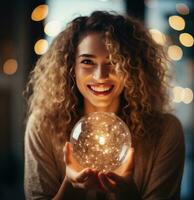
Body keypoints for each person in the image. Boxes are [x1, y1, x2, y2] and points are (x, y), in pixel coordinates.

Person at [24, 11, 185, 200]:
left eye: (114, 61)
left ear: (132, 67)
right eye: (87, 61)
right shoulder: (44, 125)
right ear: (70, 67)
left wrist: (128, 196)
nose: (100, 76)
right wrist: (70, 186)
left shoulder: (165, 130)